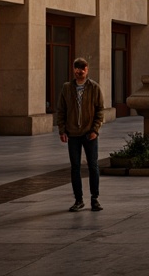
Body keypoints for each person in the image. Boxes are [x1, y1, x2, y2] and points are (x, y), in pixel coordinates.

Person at [55, 57, 105, 211]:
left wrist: (95, 130)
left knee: (93, 166)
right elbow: (61, 111)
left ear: (87, 69)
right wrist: (62, 130)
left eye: (82, 68)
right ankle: (78, 200)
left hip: (90, 134)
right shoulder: (67, 88)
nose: (79, 71)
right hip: (73, 134)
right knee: (75, 167)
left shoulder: (94, 88)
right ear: (73, 69)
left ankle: (94, 199)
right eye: (76, 68)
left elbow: (100, 110)